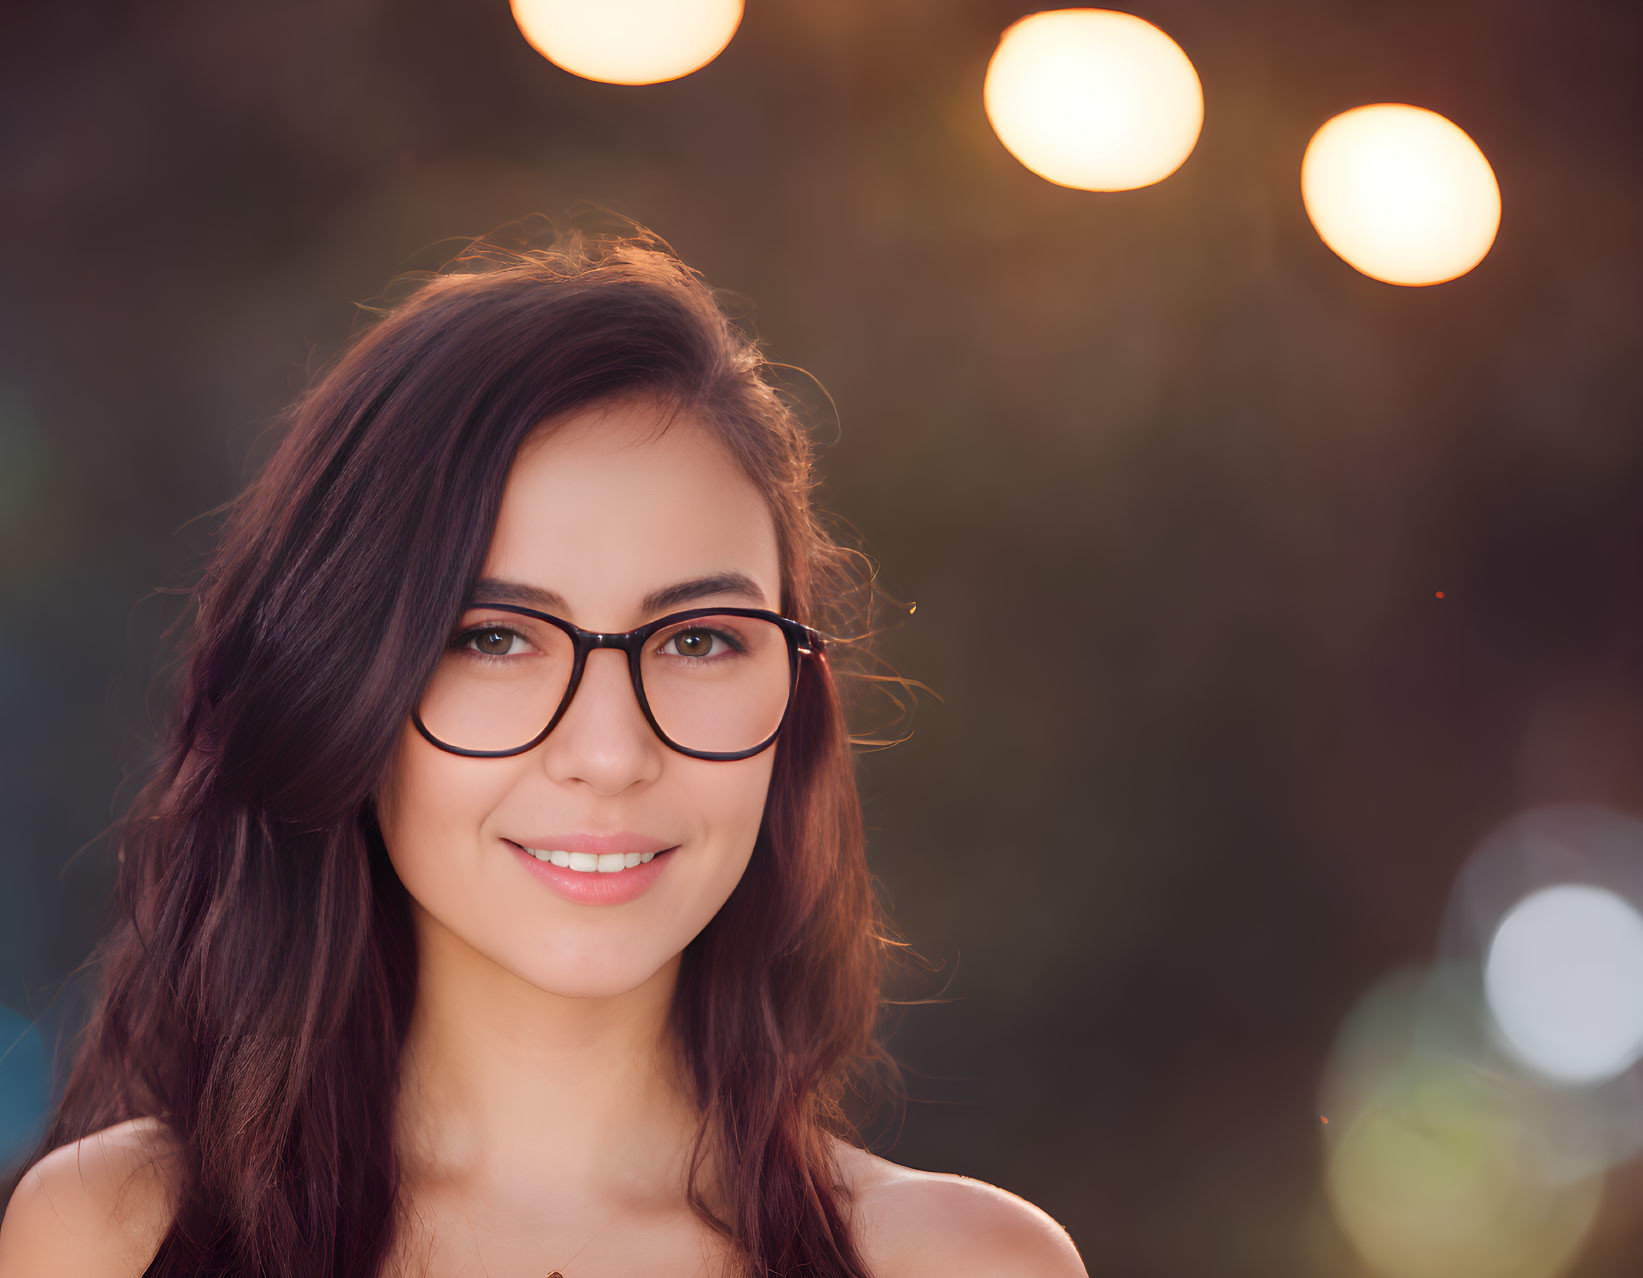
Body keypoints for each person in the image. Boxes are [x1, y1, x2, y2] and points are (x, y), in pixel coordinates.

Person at [0, 225, 1088, 1277]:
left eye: (700, 639)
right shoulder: (114, 1235)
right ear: (341, 683)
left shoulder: (963, 1265)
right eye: (493, 638)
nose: (609, 755)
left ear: (797, 696)